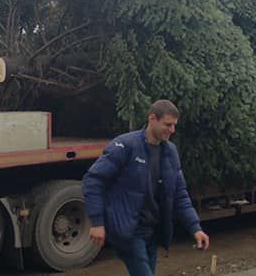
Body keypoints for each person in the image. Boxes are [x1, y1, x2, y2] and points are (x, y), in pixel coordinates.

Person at [83, 100, 209, 276]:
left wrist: (195, 228)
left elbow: (179, 194)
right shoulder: (125, 145)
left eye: (174, 125)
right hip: (129, 231)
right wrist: (97, 223)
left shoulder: (170, 152)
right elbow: (93, 180)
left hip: (152, 230)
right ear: (152, 118)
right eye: (168, 124)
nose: (172, 130)